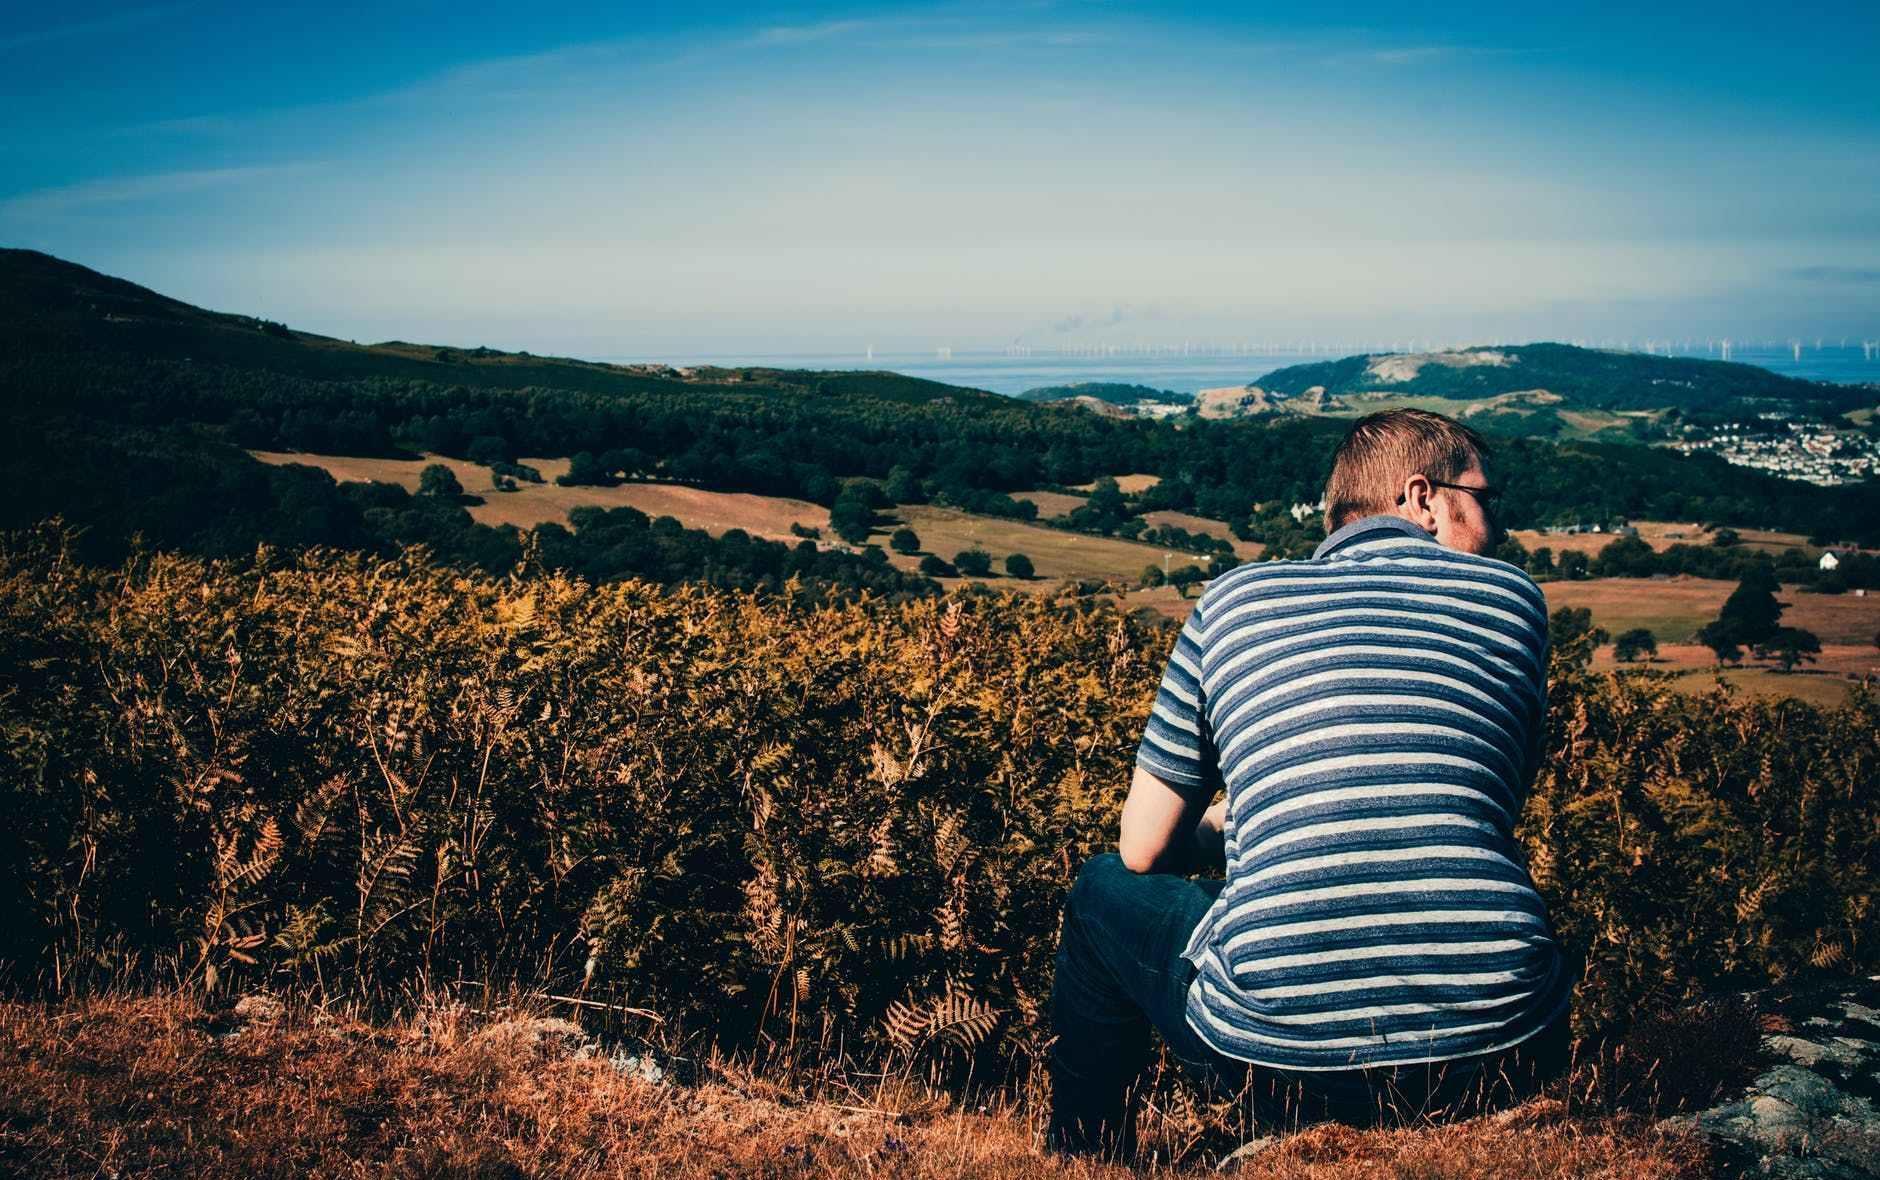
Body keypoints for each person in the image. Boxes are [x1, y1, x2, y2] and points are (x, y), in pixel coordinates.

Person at [1044, 408, 1573, 1164]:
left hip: (1279, 1062)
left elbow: (1142, 847)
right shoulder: (1512, 600)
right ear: (1422, 497)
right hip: (1501, 1048)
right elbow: (1475, 807)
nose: (1500, 528)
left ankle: (1084, 1156)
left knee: (1100, 887)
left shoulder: (1233, 603)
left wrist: (1232, 825)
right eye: (1488, 502)